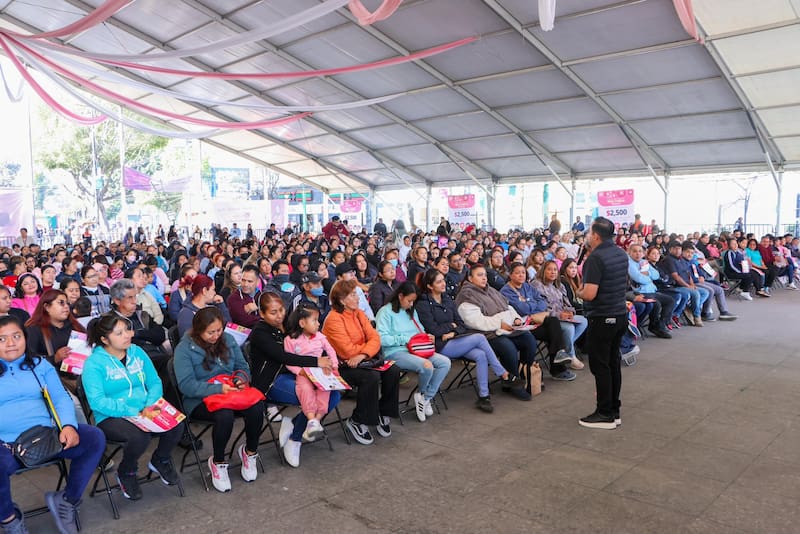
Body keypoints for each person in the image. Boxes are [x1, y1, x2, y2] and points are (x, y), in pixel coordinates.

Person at [0, 315, 105, 534]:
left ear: (25, 338)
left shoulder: (39, 365)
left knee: (94, 438)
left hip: (46, 437)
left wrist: (67, 426)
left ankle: (67, 501)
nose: (11, 343)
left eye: (16, 336)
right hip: (5, 446)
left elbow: (60, 398)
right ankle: (9, 519)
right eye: (2, 339)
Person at [82, 314, 183, 500]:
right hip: (111, 416)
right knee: (140, 437)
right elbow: (97, 401)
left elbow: (154, 382)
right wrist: (131, 411)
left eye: (127, 330)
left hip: (144, 408)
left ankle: (160, 459)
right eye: (119, 333)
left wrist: (149, 404)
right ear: (105, 339)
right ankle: (126, 472)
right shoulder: (94, 364)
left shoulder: (137, 352)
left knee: (177, 424)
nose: (128, 335)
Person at [173, 307, 264, 493]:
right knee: (224, 415)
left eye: (219, 330)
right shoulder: (184, 349)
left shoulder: (228, 339)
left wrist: (240, 379)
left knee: (256, 406)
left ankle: (250, 452)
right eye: (210, 332)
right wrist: (217, 388)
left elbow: (242, 366)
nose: (216, 335)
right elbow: (186, 385)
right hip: (199, 398)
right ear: (199, 330)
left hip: (230, 390)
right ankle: (219, 462)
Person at [249, 293, 338, 467]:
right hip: (272, 381)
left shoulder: (288, 326)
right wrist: (316, 362)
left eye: (281, 310)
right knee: (310, 396)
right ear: (262, 314)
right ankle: (294, 439)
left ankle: (295, 424)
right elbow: (283, 356)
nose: (280, 315)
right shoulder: (260, 332)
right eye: (273, 312)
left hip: (298, 373)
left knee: (333, 394)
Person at [322, 279, 400, 445]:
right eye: (353, 295)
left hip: (363, 360)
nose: (358, 298)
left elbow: (375, 337)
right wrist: (365, 351)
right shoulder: (333, 319)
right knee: (370, 377)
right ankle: (358, 420)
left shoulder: (359, 313)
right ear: (342, 300)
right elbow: (346, 352)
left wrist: (363, 353)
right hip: (341, 365)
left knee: (393, 370)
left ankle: (383, 412)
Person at [576, 217, 630, 429]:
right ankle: (614, 410)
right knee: (613, 363)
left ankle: (604, 413)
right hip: (619, 315)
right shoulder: (620, 253)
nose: (587, 235)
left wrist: (579, 291)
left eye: (589, 232)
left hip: (602, 317)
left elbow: (589, 293)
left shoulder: (595, 259)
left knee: (600, 366)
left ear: (596, 236)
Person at [375, 282, 451, 422]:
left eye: (413, 301)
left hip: (416, 349)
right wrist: (404, 339)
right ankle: (421, 394)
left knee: (445, 362)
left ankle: (425, 398)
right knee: (427, 365)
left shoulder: (411, 311)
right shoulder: (385, 312)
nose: (411, 304)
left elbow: (419, 330)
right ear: (400, 296)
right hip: (395, 351)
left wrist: (427, 336)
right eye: (409, 301)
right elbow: (381, 338)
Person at [282, 304, 341, 464]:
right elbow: (288, 361)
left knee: (325, 392)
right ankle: (310, 418)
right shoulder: (291, 340)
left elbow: (331, 352)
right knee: (305, 390)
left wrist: (334, 367)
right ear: (302, 323)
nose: (318, 323)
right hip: (304, 372)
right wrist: (299, 372)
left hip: (321, 371)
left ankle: (316, 420)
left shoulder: (321, 337)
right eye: (314, 320)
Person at [530, 262, 587, 370]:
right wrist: (559, 315)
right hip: (549, 319)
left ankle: (564, 349)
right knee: (569, 328)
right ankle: (571, 356)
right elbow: (541, 308)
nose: (553, 272)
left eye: (555, 270)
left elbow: (567, 303)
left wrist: (570, 312)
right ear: (543, 271)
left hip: (563, 315)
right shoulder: (536, 285)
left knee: (584, 321)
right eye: (549, 269)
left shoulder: (559, 285)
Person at [226, 264, 261, 329]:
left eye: (250, 281)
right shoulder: (233, 298)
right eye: (243, 280)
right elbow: (243, 320)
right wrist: (264, 317)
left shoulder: (261, 296)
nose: (245, 284)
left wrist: (258, 307)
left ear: (257, 282)